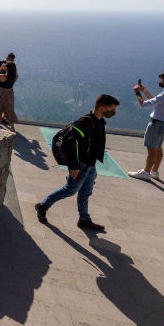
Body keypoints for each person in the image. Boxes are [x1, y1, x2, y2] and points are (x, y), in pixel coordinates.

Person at [35, 94, 120, 231]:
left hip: (90, 165)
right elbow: (70, 143)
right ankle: (43, 205)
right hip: (81, 165)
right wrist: (73, 166)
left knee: (86, 192)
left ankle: (84, 219)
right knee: (69, 190)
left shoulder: (99, 121)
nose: (113, 112)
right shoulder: (86, 122)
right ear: (102, 108)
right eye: (112, 109)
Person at [128, 71, 164, 180]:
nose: (161, 82)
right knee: (158, 148)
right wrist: (145, 91)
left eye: (162, 80)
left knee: (152, 149)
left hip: (157, 124)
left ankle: (146, 173)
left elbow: (144, 104)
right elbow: (155, 101)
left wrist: (137, 93)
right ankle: (154, 171)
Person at [0, 60, 18, 132]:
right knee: (9, 110)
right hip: (10, 94)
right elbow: (15, 73)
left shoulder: (3, 76)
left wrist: (0, 68)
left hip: (2, 93)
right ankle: (12, 128)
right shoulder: (15, 77)